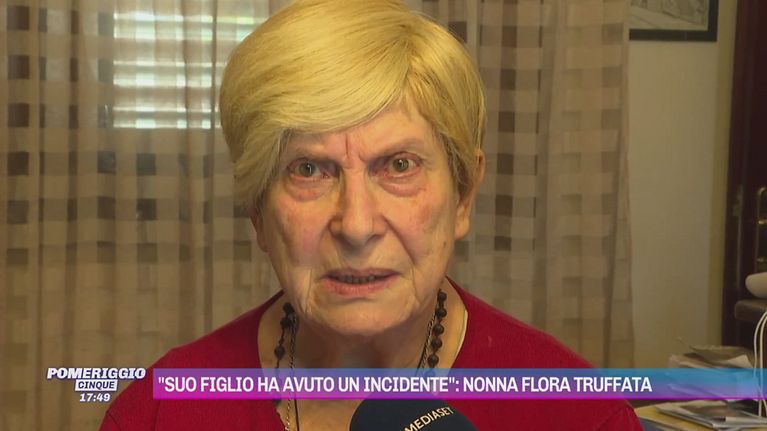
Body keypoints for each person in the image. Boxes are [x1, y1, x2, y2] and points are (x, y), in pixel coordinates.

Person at [100, 0, 641, 429]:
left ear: (463, 196)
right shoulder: (158, 412)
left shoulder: (578, 416)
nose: (357, 226)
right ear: (257, 212)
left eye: (399, 165)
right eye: (309, 169)